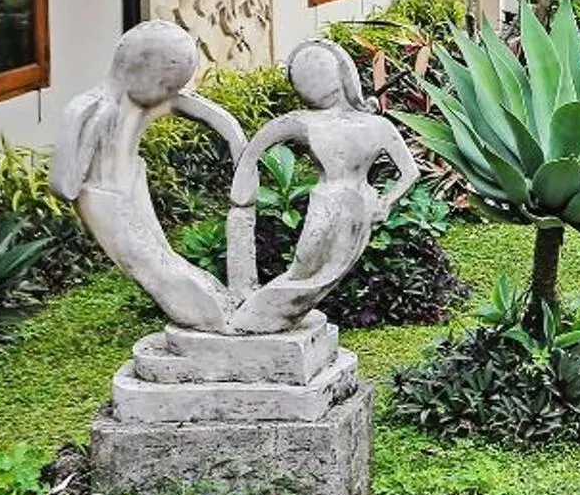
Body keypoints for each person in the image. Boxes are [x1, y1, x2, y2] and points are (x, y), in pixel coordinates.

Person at [53, 21, 248, 334]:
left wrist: (240, 148)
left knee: (164, 256)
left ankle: (219, 310)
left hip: (133, 182)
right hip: (102, 199)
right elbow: (64, 184)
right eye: (166, 84)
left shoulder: (151, 100)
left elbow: (209, 114)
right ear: (138, 69)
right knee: (152, 265)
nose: (172, 94)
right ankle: (209, 317)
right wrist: (79, 173)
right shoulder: (91, 108)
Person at [227, 37, 421, 333]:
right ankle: (262, 315)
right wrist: (243, 186)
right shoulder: (305, 121)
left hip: (358, 207)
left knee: (324, 273)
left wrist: (386, 202)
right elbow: (257, 145)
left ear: (343, 75)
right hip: (327, 202)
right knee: (304, 267)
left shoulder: (376, 126)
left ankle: (261, 316)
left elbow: (410, 172)